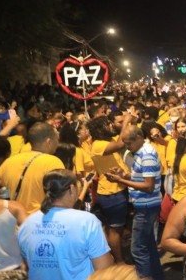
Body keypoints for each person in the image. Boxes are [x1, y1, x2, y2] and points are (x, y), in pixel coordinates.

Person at [17, 170, 113, 279]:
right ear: (72, 189)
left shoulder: (27, 223)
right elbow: (104, 269)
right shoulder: (87, 221)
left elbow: (27, 264)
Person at [105, 125, 164, 279]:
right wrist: (123, 176)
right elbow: (141, 178)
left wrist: (121, 180)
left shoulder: (147, 154)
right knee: (149, 246)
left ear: (138, 138)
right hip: (145, 205)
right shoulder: (139, 152)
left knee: (138, 249)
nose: (127, 146)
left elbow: (148, 186)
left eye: (128, 143)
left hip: (146, 206)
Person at [88, 114, 132, 263]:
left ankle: (115, 257)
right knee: (115, 230)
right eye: (108, 124)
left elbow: (122, 138)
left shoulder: (107, 140)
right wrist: (126, 120)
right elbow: (121, 144)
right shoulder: (98, 144)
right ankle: (119, 261)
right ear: (100, 129)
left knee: (114, 229)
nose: (111, 126)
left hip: (117, 189)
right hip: (111, 193)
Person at [0, 122, 64, 214]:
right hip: (39, 222)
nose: (58, 143)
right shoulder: (53, 162)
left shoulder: (9, 161)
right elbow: (61, 197)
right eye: (57, 139)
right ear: (49, 142)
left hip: (12, 221)